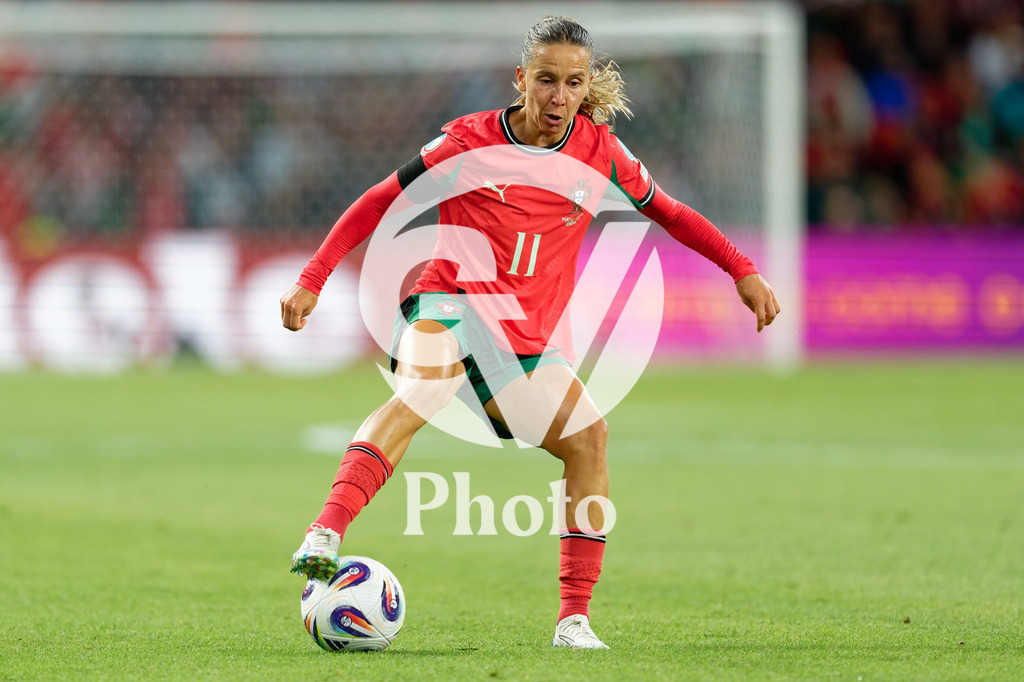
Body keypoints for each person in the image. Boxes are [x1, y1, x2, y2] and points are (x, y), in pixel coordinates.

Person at [280, 15, 780, 650]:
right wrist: (314, 276)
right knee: (424, 388)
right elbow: (381, 198)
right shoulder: (467, 143)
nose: (559, 96)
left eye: (573, 83)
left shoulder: (600, 153)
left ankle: (574, 621)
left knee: (589, 439)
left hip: (522, 343)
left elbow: (673, 214)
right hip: (451, 301)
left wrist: (742, 268)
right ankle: (324, 533)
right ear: (521, 79)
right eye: (546, 80)